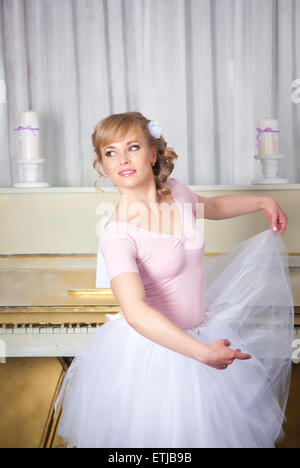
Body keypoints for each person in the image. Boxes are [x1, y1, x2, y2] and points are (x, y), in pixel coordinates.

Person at [54, 111, 294, 448]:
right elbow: (136, 312)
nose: (122, 159)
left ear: (153, 154)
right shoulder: (118, 235)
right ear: (103, 166)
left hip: (203, 330)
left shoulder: (176, 193)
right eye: (110, 152)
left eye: (133, 147)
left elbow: (213, 206)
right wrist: (201, 353)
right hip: (157, 355)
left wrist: (262, 201)